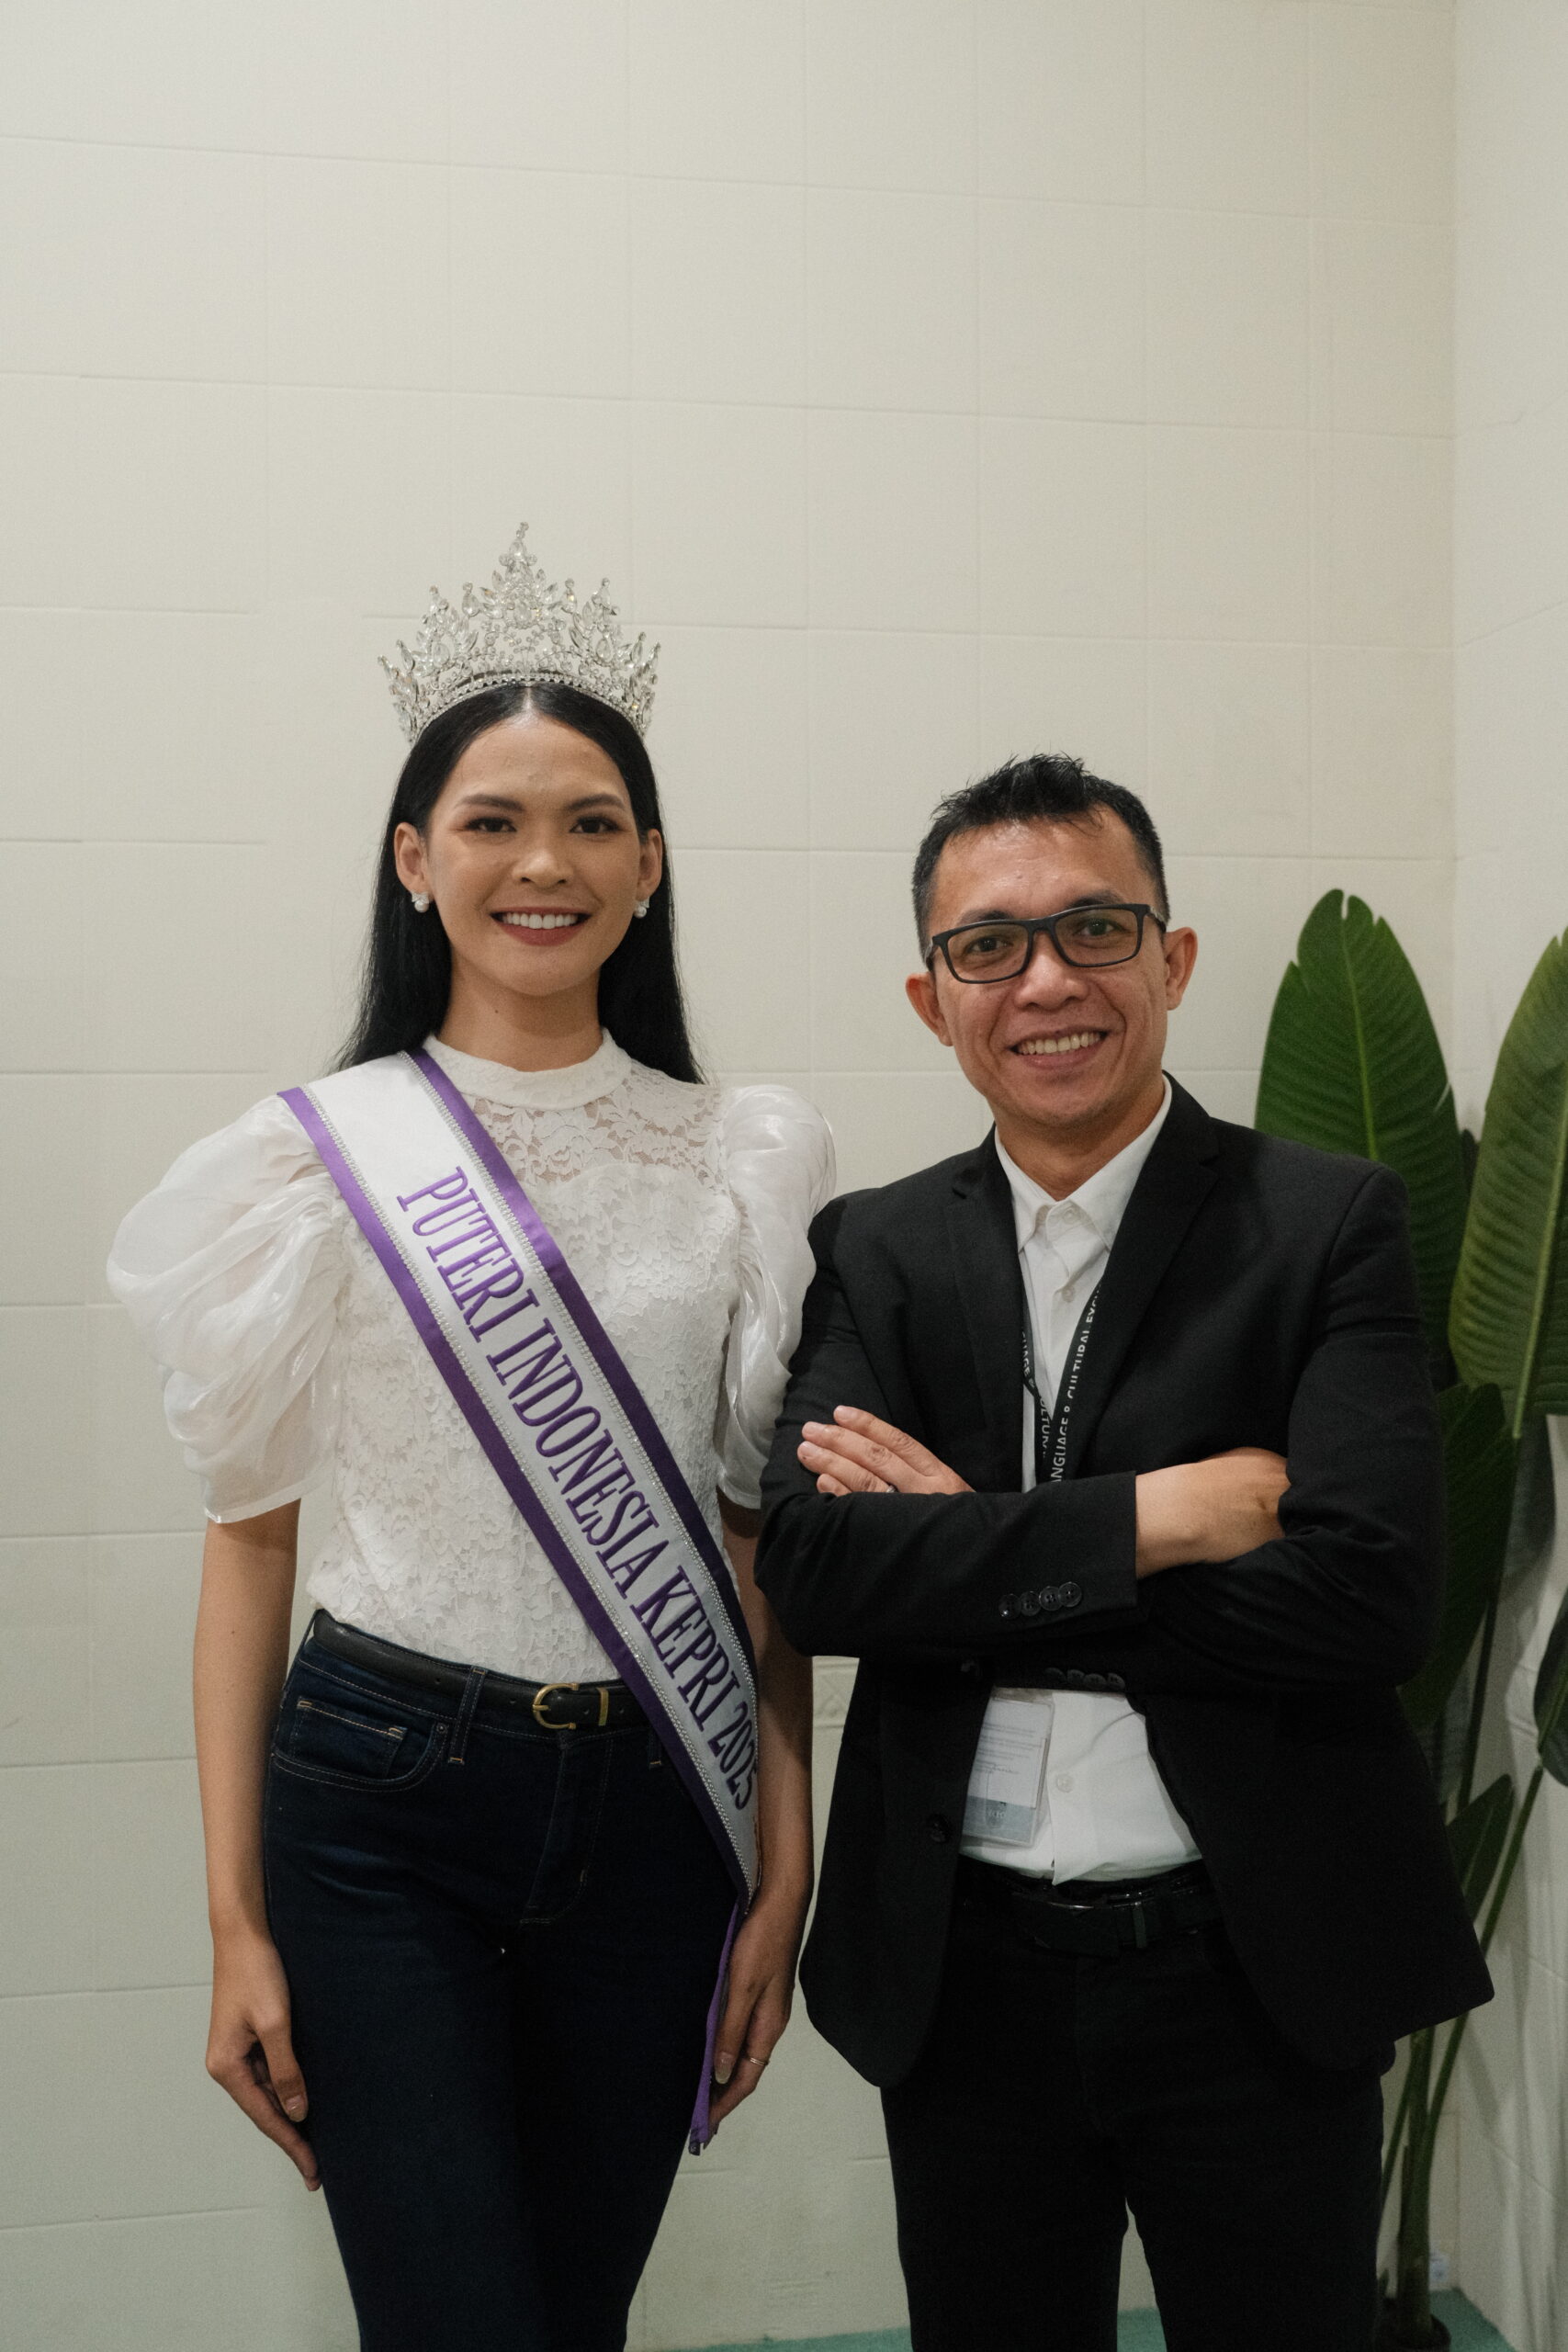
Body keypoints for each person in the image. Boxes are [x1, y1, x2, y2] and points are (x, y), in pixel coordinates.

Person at [108, 525, 833, 2352]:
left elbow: (750, 1537)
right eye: (493, 820)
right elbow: (249, 1543)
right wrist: (233, 1920)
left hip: (660, 1816)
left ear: (649, 865)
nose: (544, 863)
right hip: (379, 1813)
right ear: (414, 858)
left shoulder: (744, 1154)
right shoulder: (306, 1161)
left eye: (593, 822)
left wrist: (784, 1852)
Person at [755, 755, 1490, 2352]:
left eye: (1096, 929)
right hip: (966, 1975)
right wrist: (1161, 1521)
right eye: (989, 946)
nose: (1047, 982)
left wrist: (967, 1561)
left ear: (1174, 958)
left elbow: (1370, 1601)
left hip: (1252, 1967)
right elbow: (814, 1573)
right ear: (932, 998)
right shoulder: (877, 1247)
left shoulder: (1325, 1223)